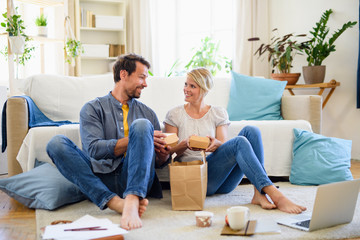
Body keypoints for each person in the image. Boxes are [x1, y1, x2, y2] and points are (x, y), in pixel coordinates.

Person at [46, 53, 171, 230]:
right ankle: (115, 203)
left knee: (142, 125)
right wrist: (131, 140)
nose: (145, 83)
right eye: (142, 77)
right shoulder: (92, 108)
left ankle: (133, 198)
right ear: (123, 74)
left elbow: (156, 163)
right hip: (101, 178)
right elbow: (93, 150)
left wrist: (162, 156)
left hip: (134, 178)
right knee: (56, 144)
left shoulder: (148, 114)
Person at [162, 67, 307, 214]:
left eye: (192, 86)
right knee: (240, 142)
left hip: (222, 180)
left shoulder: (217, 113)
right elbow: (168, 152)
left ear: (204, 89)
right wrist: (185, 144)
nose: (186, 89)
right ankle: (275, 195)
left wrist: (215, 144)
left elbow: (224, 146)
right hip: (195, 180)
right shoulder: (175, 114)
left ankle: (259, 193)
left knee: (252, 131)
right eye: (186, 84)